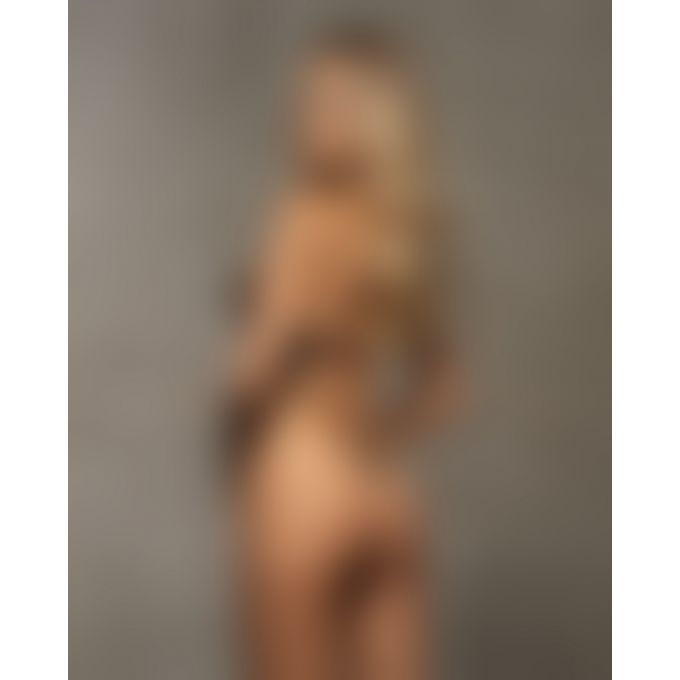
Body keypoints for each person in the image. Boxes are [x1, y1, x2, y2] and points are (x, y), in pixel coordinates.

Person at [224, 24, 458, 680]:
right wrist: (376, 440)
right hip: (384, 494)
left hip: (300, 485)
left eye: (325, 103)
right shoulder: (406, 230)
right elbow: (446, 386)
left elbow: (250, 374)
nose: (305, 117)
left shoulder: (302, 216)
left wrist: (235, 434)